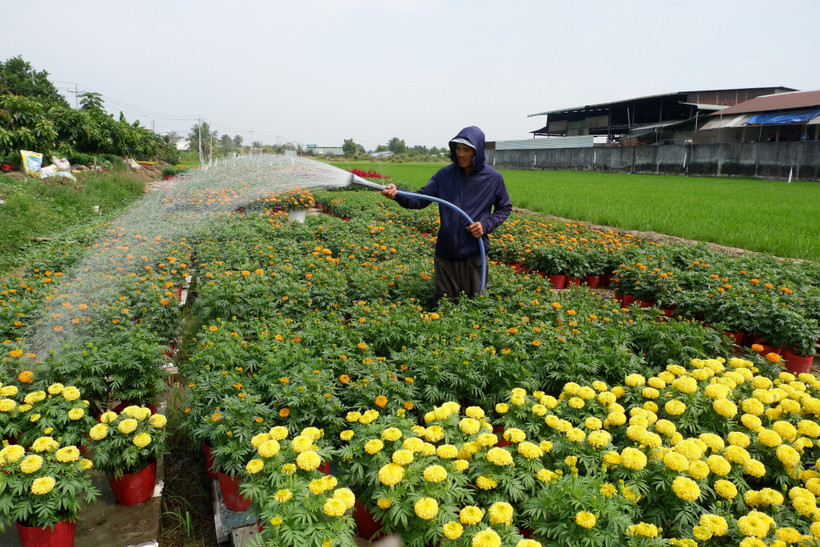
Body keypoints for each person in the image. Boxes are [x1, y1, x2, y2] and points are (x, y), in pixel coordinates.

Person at [381, 126, 512, 300]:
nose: (461, 154)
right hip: (446, 253)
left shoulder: (493, 178)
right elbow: (420, 199)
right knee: (444, 304)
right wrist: (398, 194)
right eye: (458, 148)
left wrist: (485, 225)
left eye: (466, 150)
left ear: (477, 152)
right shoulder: (444, 175)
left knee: (475, 306)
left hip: (475, 253)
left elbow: (505, 207)